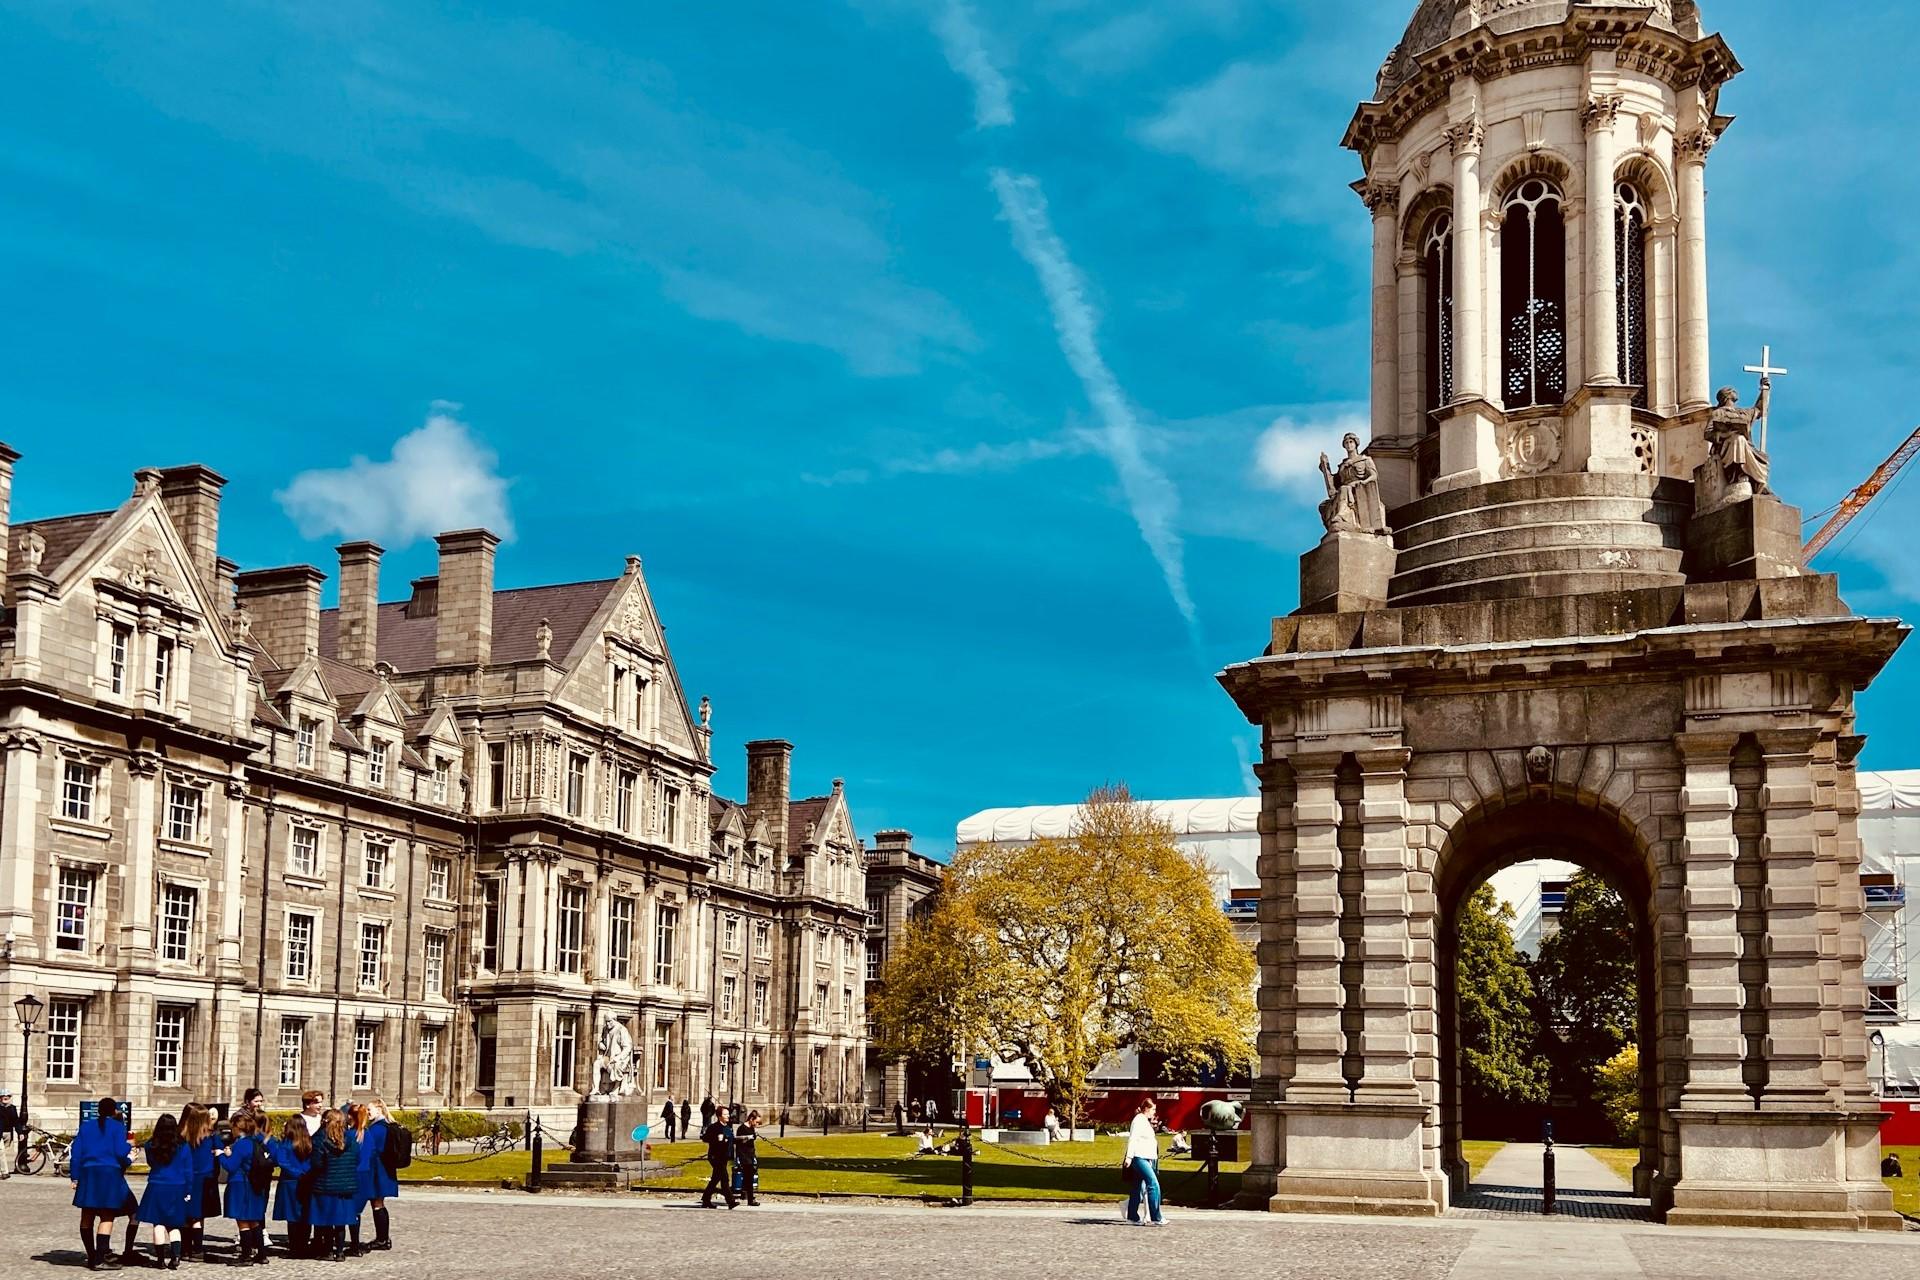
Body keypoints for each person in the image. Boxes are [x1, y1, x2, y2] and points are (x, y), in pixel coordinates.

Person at [71, 1097, 135, 1272]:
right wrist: (130, 1146)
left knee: (87, 1215)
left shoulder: (86, 1127)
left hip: (88, 1172)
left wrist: (75, 1177)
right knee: (107, 1216)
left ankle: (91, 1255)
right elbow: (120, 1152)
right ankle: (100, 1258)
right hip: (109, 1172)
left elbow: (76, 1154)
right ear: (114, 1110)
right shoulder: (117, 1126)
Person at [138, 1113, 197, 1269]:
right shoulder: (183, 1145)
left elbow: (151, 1163)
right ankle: (175, 1257)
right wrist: (189, 1190)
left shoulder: (150, 1145)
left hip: (157, 1185)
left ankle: (160, 1260)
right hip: (177, 1185)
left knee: (158, 1224)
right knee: (175, 1225)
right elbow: (188, 1170)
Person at [216, 1112, 270, 1266]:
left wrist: (221, 1155)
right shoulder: (254, 1142)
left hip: (241, 1184)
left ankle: (246, 1255)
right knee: (254, 1221)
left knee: (243, 1221)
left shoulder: (241, 1144)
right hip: (253, 1184)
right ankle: (262, 1254)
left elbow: (231, 1166)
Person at [307, 1109, 360, 1262]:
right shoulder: (352, 1141)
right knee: (340, 1221)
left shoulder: (322, 1141)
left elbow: (317, 1164)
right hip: (345, 1185)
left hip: (326, 1184)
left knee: (327, 1221)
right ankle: (340, 1252)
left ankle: (328, 1250)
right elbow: (356, 1160)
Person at [355, 1099, 398, 1252]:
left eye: (370, 1109)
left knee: (378, 1204)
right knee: (378, 1203)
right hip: (383, 1170)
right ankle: (383, 1238)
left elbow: (371, 1150)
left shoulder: (377, 1129)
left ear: (379, 1110)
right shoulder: (385, 1126)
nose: (367, 1112)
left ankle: (382, 1239)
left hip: (378, 1171)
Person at [269, 1116, 314, 1259]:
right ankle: (304, 1245)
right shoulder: (309, 1142)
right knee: (304, 1215)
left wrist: (295, 1173)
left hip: (289, 1182)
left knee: (292, 1217)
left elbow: (281, 1161)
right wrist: (304, 1173)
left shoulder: (286, 1143)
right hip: (306, 1181)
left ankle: (295, 1247)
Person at [179, 1103, 218, 1261]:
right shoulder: (210, 1136)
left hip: (185, 1178)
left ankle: (184, 1248)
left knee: (186, 1215)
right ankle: (197, 1249)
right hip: (204, 1178)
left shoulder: (181, 1137)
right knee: (198, 1216)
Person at [1123, 1098, 1165, 1227]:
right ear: (1146, 1109)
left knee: (1137, 1188)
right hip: (1139, 1157)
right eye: (1153, 1109)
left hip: (1145, 1157)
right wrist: (1129, 1157)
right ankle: (1156, 1217)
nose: (1154, 1112)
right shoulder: (1139, 1121)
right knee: (1153, 1184)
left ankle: (1132, 1217)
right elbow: (1133, 1139)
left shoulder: (1143, 1121)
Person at [699, 1105, 737, 1209]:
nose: (728, 1116)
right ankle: (731, 1201)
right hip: (716, 1157)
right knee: (724, 1179)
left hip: (724, 1157)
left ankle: (706, 1199)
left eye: (728, 1114)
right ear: (719, 1116)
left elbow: (731, 1140)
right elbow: (705, 1138)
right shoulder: (714, 1127)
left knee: (715, 1179)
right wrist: (717, 1138)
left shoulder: (727, 1127)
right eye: (725, 1114)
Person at [733, 1109, 761, 1207]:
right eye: (756, 1122)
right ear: (751, 1119)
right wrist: (748, 1137)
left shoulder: (752, 1128)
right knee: (748, 1177)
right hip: (744, 1155)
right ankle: (750, 1199)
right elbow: (738, 1141)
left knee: (749, 1177)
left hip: (750, 1154)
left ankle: (744, 1194)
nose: (757, 1124)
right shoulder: (742, 1128)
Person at [0, 1089, 19, 1178]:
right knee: (1, 1152)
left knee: (3, 1152)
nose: (5, 1099)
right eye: (4, 1097)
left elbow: (16, 1121)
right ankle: (4, 1172)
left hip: (8, 1134)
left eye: (7, 1097)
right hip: (0, 1133)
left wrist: (20, 1132)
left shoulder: (12, 1108)